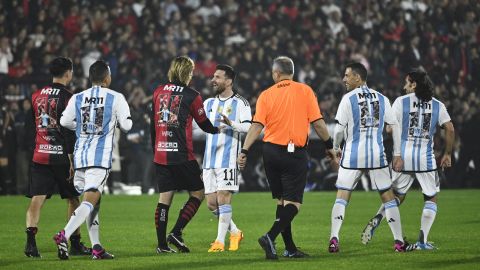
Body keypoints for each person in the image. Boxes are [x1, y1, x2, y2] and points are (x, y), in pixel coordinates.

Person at [237, 56, 336, 260]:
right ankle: (270, 236)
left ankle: (289, 248)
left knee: (282, 202)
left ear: (276, 73)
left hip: (270, 152)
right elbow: (318, 123)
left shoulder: (265, 95)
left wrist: (244, 151)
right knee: (294, 204)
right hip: (294, 153)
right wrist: (329, 146)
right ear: (292, 72)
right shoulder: (305, 91)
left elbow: (257, 126)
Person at [361, 69, 454, 250]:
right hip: (425, 159)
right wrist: (448, 154)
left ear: (414, 85)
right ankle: (422, 241)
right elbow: (449, 128)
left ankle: (378, 217)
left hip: (402, 157)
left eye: (407, 83)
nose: (404, 87)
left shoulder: (401, 102)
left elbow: (389, 129)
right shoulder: (437, 105)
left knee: (396, 197)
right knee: (431, 197)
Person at [53, 60, 132, 260]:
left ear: (91, 78)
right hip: (99, 157)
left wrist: (82, 127)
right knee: (90, 200)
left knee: (94, 202)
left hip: (80, 157)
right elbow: (127, 126)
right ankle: (65, 234)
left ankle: (96, 247)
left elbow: (64, 121)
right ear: (107, 78)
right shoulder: (116, 97)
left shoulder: (78, 97)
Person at [329, 62, 409, 253]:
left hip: (353, 154)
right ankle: (399, 241)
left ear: (358, 77)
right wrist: (397, 153)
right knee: (388, 198)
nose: (344, 79)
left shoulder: (348, 99)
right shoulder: (382, 98)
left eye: (347, 75)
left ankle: (334, 238)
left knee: (342, 197)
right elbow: (394, 126)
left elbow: (339, 129)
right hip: (376, 155)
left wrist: (335, 147)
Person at [151, 56, 221, 254]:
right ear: (187, 73)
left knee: (164, 199)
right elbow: (204, 124)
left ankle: (162, 245)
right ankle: (176, 232)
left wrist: (154, 150)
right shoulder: (192, 95)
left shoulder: (158, 91)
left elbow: (152, 126)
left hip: (161, 153)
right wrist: (219, 129)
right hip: (182, 155)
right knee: (198, 194)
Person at [24, 57, 91, 258]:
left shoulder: (36, 95)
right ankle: (76, 243)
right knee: (73, 199)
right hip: (62, 157)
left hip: (40, 156)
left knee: (37, 199)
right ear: (68, 73)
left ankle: (30, 243)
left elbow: (29, 128)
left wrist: (35, 149)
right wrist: (72, 158)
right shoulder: (69, 97)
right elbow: (70, 130)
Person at [202, 64, 251, 252]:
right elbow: (200, 128)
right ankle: (235, 231)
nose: (213, 80)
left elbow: (250, 127)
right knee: (211, 204)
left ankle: (219, 242)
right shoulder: (208, 104)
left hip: (229, 159)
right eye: (213, 77)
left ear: (228, 81)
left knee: (224, 198)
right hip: (209, 160)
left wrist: (232, 124)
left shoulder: (241, 103)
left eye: (217, 77)